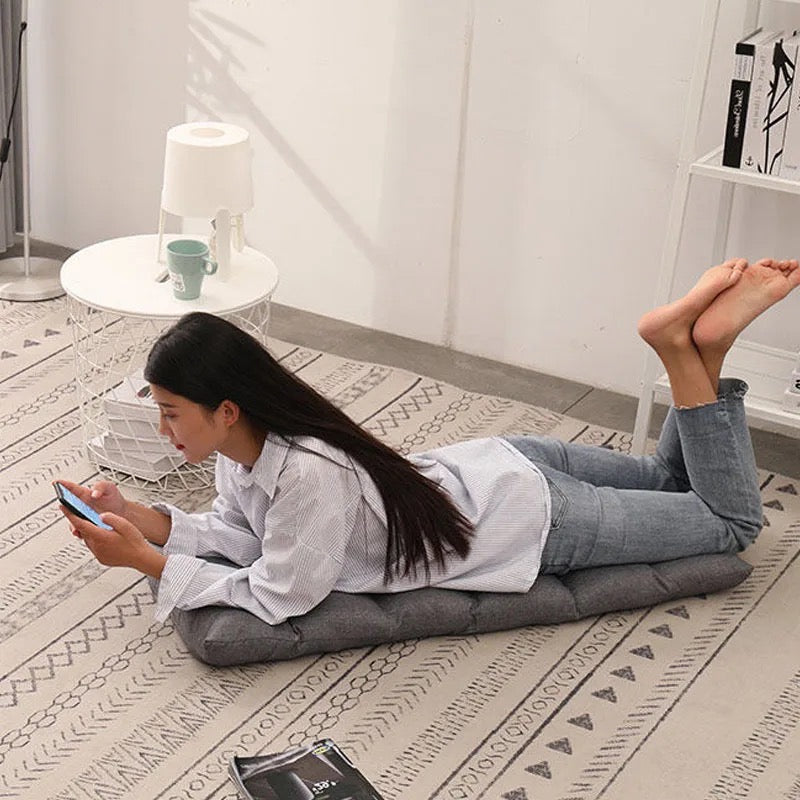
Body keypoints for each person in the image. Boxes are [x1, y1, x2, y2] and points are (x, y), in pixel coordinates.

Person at [58, 257, 800, 626]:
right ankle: (707, 348)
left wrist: (150, 562)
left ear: (225, 409)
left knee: (728, 525)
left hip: (540, 520)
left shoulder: (307, 473)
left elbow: (285, 591)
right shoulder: (255, 447)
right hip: (506, 463)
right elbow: (238, 535)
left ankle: (680, 351)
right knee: (676, 479)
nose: (161, 429)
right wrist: (141, 516)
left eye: (169, 412)